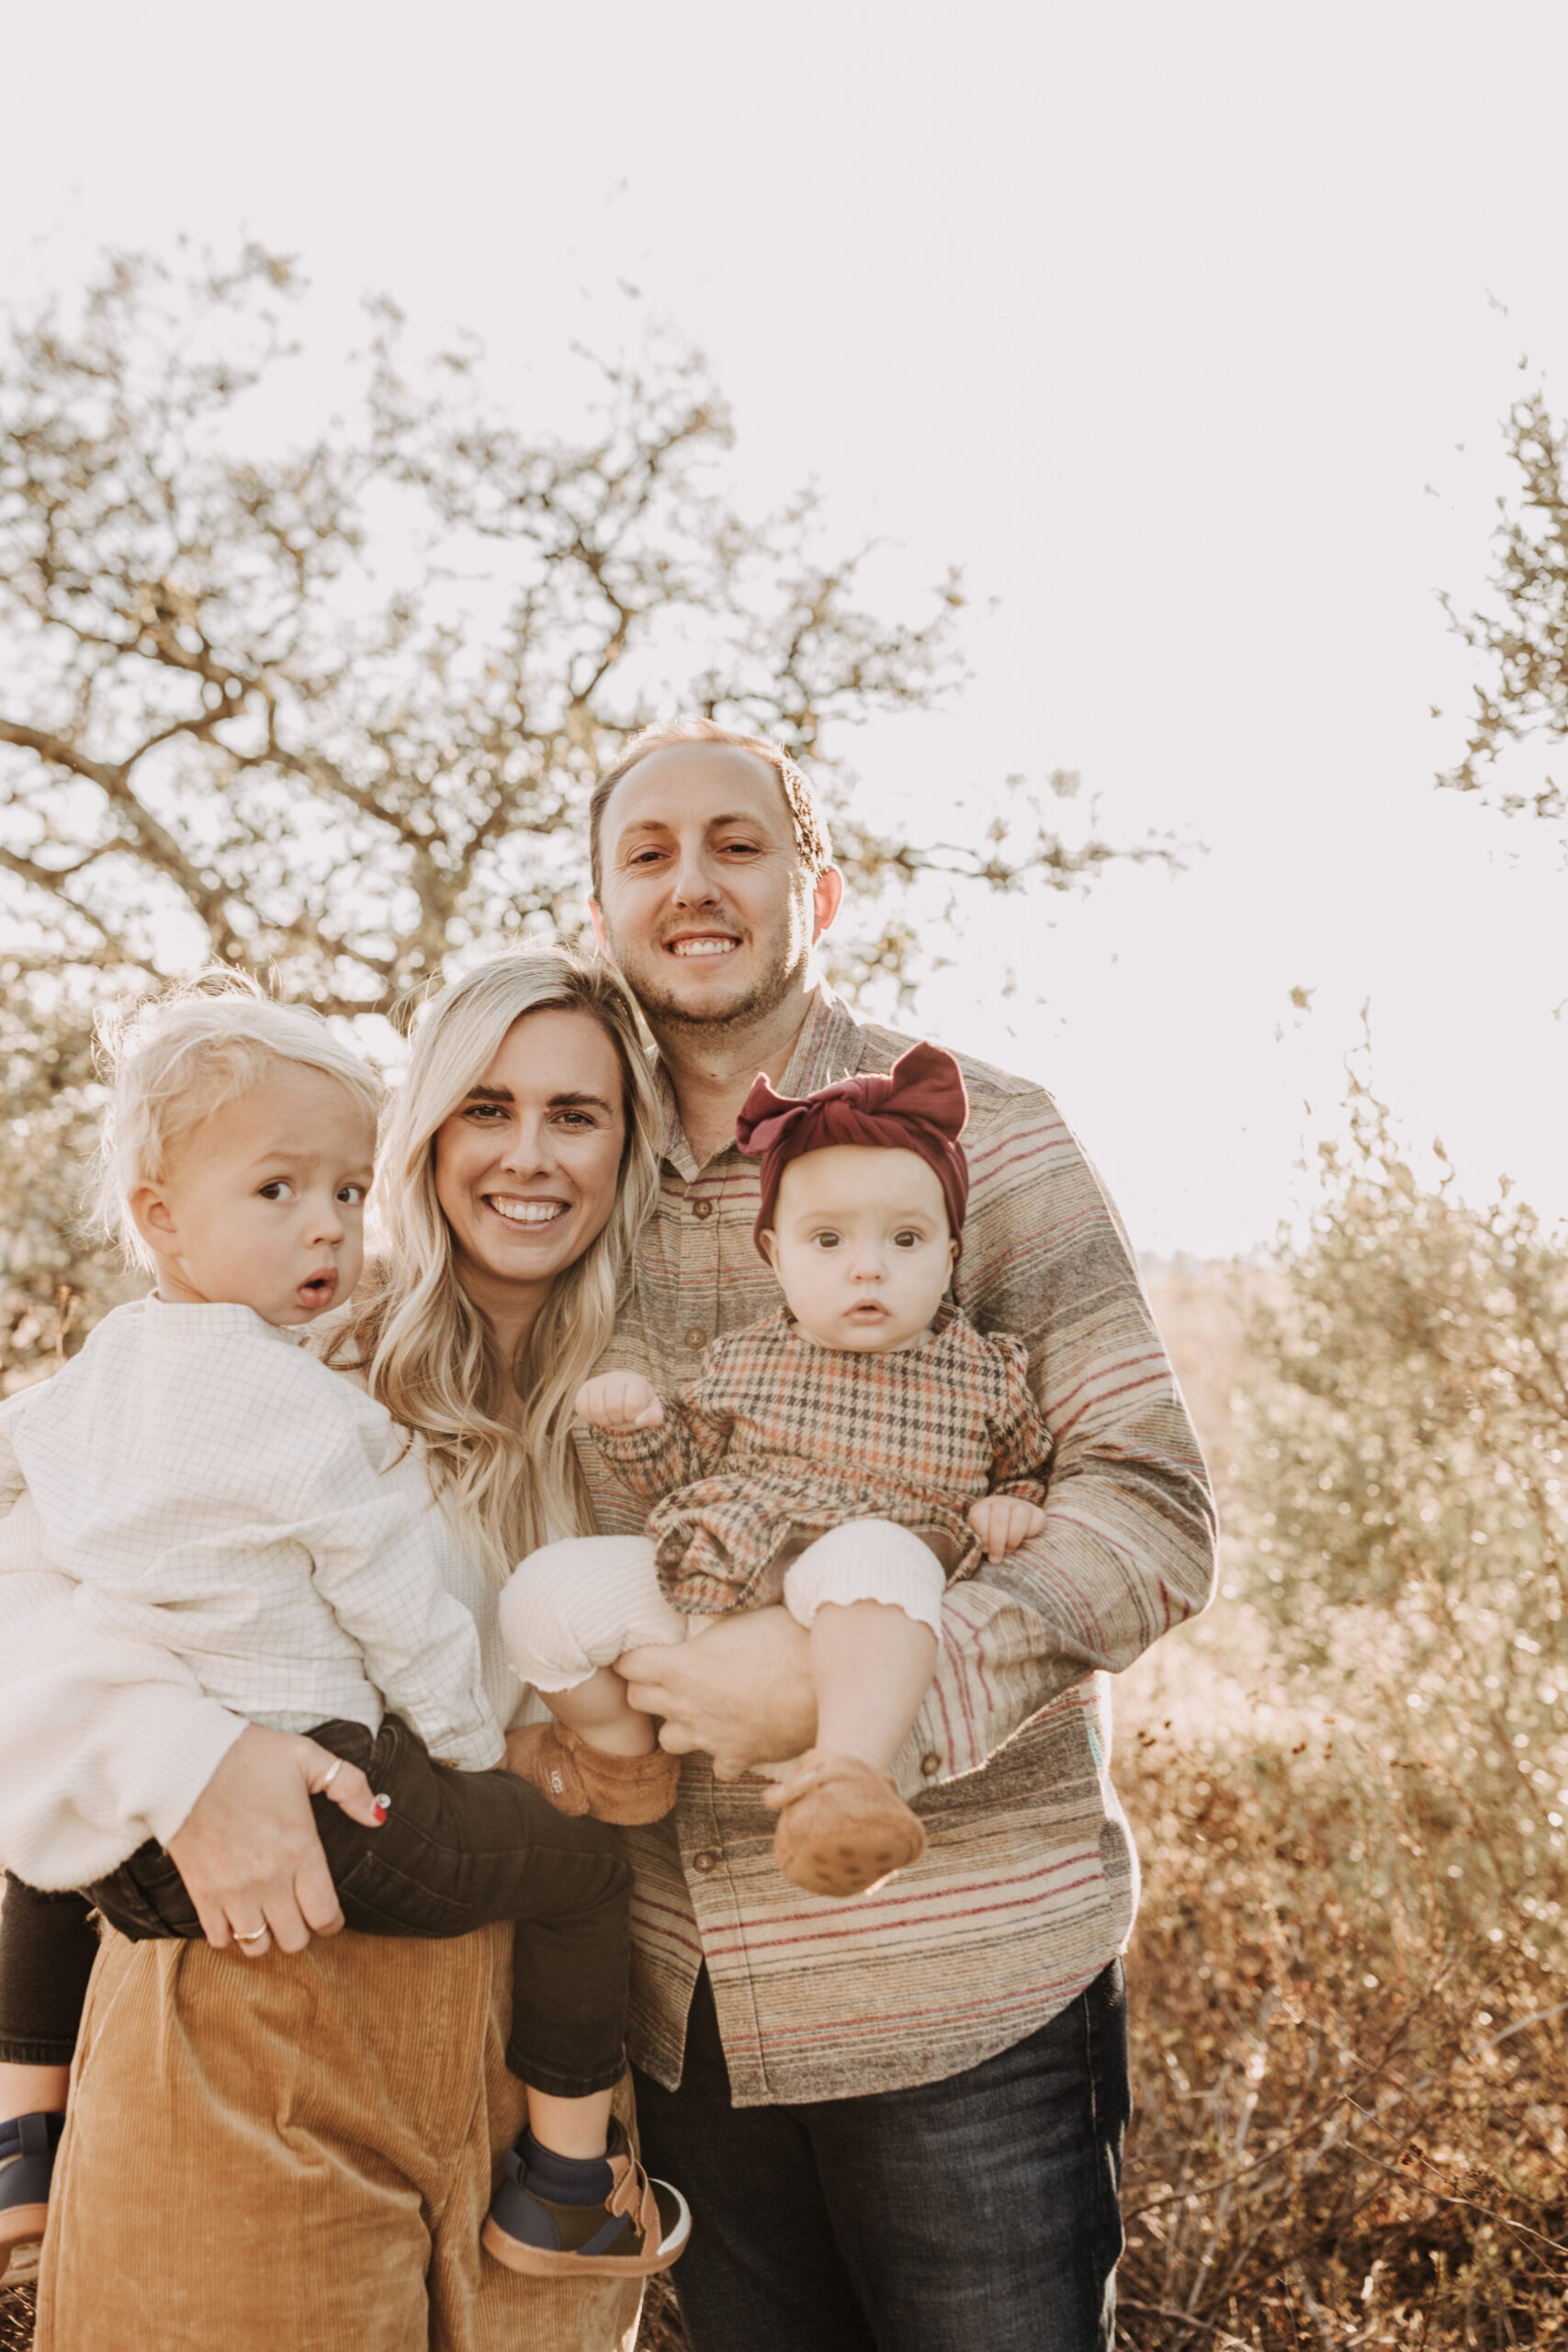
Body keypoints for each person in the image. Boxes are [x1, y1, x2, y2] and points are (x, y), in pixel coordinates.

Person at [574, 718, 1217, 2352]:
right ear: (597, 906)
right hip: (683, 2000)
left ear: (821, 888)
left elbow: (1146, 1508)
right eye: (645, 853)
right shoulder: (554, 1160)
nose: (692, 882)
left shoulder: (986, 1135)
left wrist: (864, 1692)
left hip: (965, 1984)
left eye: (738, 844)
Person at [0, 949, 675, 2351]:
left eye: (578, 1114)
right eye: (482, 1109)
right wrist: (185, 1756)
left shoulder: (672, 1385)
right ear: (425, 1132)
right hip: (256, 1998)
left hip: (515, 2065)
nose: (526, 1155)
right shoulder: (277, 1367)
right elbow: (30, 1598)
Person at [502, 1040, 1053, 1902]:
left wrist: (1011, 1508)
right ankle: (620, 1759)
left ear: (950, 1254)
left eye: (905, 1239)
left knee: (876, 1558)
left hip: (861, 1568)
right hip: (724, 1565)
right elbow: (677, 1479)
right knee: (543, 1592)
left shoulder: (984, 1370)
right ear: (775, 1256)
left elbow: (1026, 1466)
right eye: (827, 1240)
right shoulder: (741, 1361)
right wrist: (639, 1423)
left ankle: (846, 1783)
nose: (867, 1266)